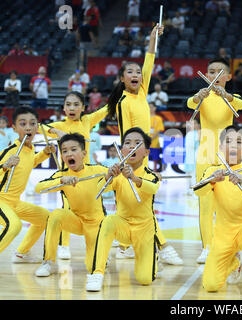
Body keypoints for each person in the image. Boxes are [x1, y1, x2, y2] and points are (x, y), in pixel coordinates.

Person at [106, 24, 183, 266]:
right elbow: (126, 135)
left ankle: (124, 245)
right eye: (130, 72)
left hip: (143, 156)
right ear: (122, 78)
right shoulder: (123, 102)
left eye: (138, 72)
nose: (136, 74)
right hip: (131, 157)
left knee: (138, 202)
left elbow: (149, 60)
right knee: (136, 203)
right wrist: (130, 160)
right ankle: (162, 245)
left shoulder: (143, 91)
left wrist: (152, 38)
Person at [194, 126, 242, 300]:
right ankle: (235, 261)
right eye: (228, 141)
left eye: (238, 142)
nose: (233, 146)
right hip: (222, 235)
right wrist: (212, 180)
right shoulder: (212, 172)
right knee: (211, 285)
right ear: (221, 147)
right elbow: (198, 191)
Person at [86, 128, 162, 291]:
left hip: (144, 230)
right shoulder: (117, 174)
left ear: (146, 152)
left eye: (137, 143)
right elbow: (97, 191)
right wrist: (107, 176)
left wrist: (134, 178)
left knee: (145, 279)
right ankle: (97, 273)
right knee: (108, 221)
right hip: (123, 226)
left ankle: (152, 256)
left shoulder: (150, 174)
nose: (132, 146)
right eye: (127, 143)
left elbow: (153, 188)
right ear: (122, 151)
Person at [187, 57, 242, 264]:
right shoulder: (202, 96)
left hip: (226, 156)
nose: (215, 76)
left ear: (228, 77)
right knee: (205, 204)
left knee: (228, 204)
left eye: (220, 72)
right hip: (204, 155)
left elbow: (240, 103)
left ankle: (230, 245)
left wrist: (226, 95)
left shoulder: (231, 98)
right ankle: (207, 247)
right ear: (206, 75)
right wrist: (197, 97)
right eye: (211, 71)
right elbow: (190, 103)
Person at [0, 107, 56, 277]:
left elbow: (29, 163)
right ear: (14, 128)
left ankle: (22, 252)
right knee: (14, 226)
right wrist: (5, 166)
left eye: (32, 124)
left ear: (37, 127)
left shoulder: (29, 148)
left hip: (15, 203)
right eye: (23, 124)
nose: (28, 127)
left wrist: (44, 153)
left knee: (47, 218)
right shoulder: (10, 151)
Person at [34, 133, 108, 277]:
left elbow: (120, 177)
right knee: (56, 215)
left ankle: (102, 254)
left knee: (92, 266)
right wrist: (61, 180)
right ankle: (48, 262)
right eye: (64, 151)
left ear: (84, 153)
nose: (69, 154)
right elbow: (39, 188)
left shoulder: (97, 170)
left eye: (73, 149)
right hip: (76, 220)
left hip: (95, 224)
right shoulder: (62, 175)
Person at [184, 118, 200, 191]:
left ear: (198, 125)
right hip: (188, 157)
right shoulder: (189, 134)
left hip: (195, 156)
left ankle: (194, 189)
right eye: (191, 123)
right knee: (188, 174)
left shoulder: (199, 133)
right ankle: (187, 189)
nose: (192, 125)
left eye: (194, 123)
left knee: (194, 174)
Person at [149, 103, 164, 172]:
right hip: (146, 142)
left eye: (152, 107)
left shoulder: (158, 118)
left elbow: (159, 130)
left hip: (155, 142)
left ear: (155, 108)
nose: (150, 108)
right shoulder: (145, 118)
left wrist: (151, 138)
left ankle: (155, 171)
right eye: (149, 107)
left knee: (155, 158)